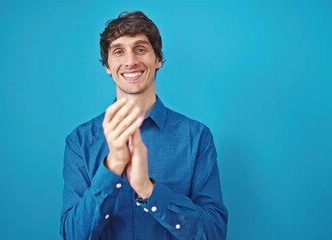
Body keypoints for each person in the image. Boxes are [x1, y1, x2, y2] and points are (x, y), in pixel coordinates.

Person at [60, 11, 228, 239]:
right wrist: (113, 166)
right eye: (118, 51)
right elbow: (73, 235)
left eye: (140, 49)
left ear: (157, 59)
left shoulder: (196, 137)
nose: (130, 61)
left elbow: (214, 234)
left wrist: (148, 189)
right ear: (107, 65)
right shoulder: (79, 141)